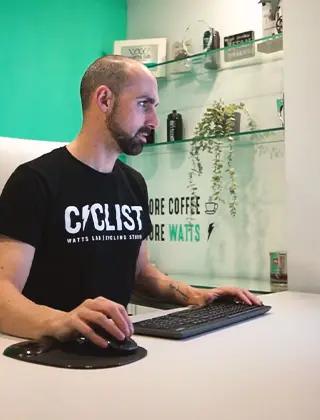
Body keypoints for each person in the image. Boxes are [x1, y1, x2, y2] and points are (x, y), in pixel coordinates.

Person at [0, 55, 262, 348]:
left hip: (116, 349)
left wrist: (196, 296)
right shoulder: (34, 181)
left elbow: (141, 274)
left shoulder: (134, 184)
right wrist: (61, 321)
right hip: (49, 356)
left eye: (154, 107)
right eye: (144, 104)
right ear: (104, 100)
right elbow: (3, 292)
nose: (154, 121)